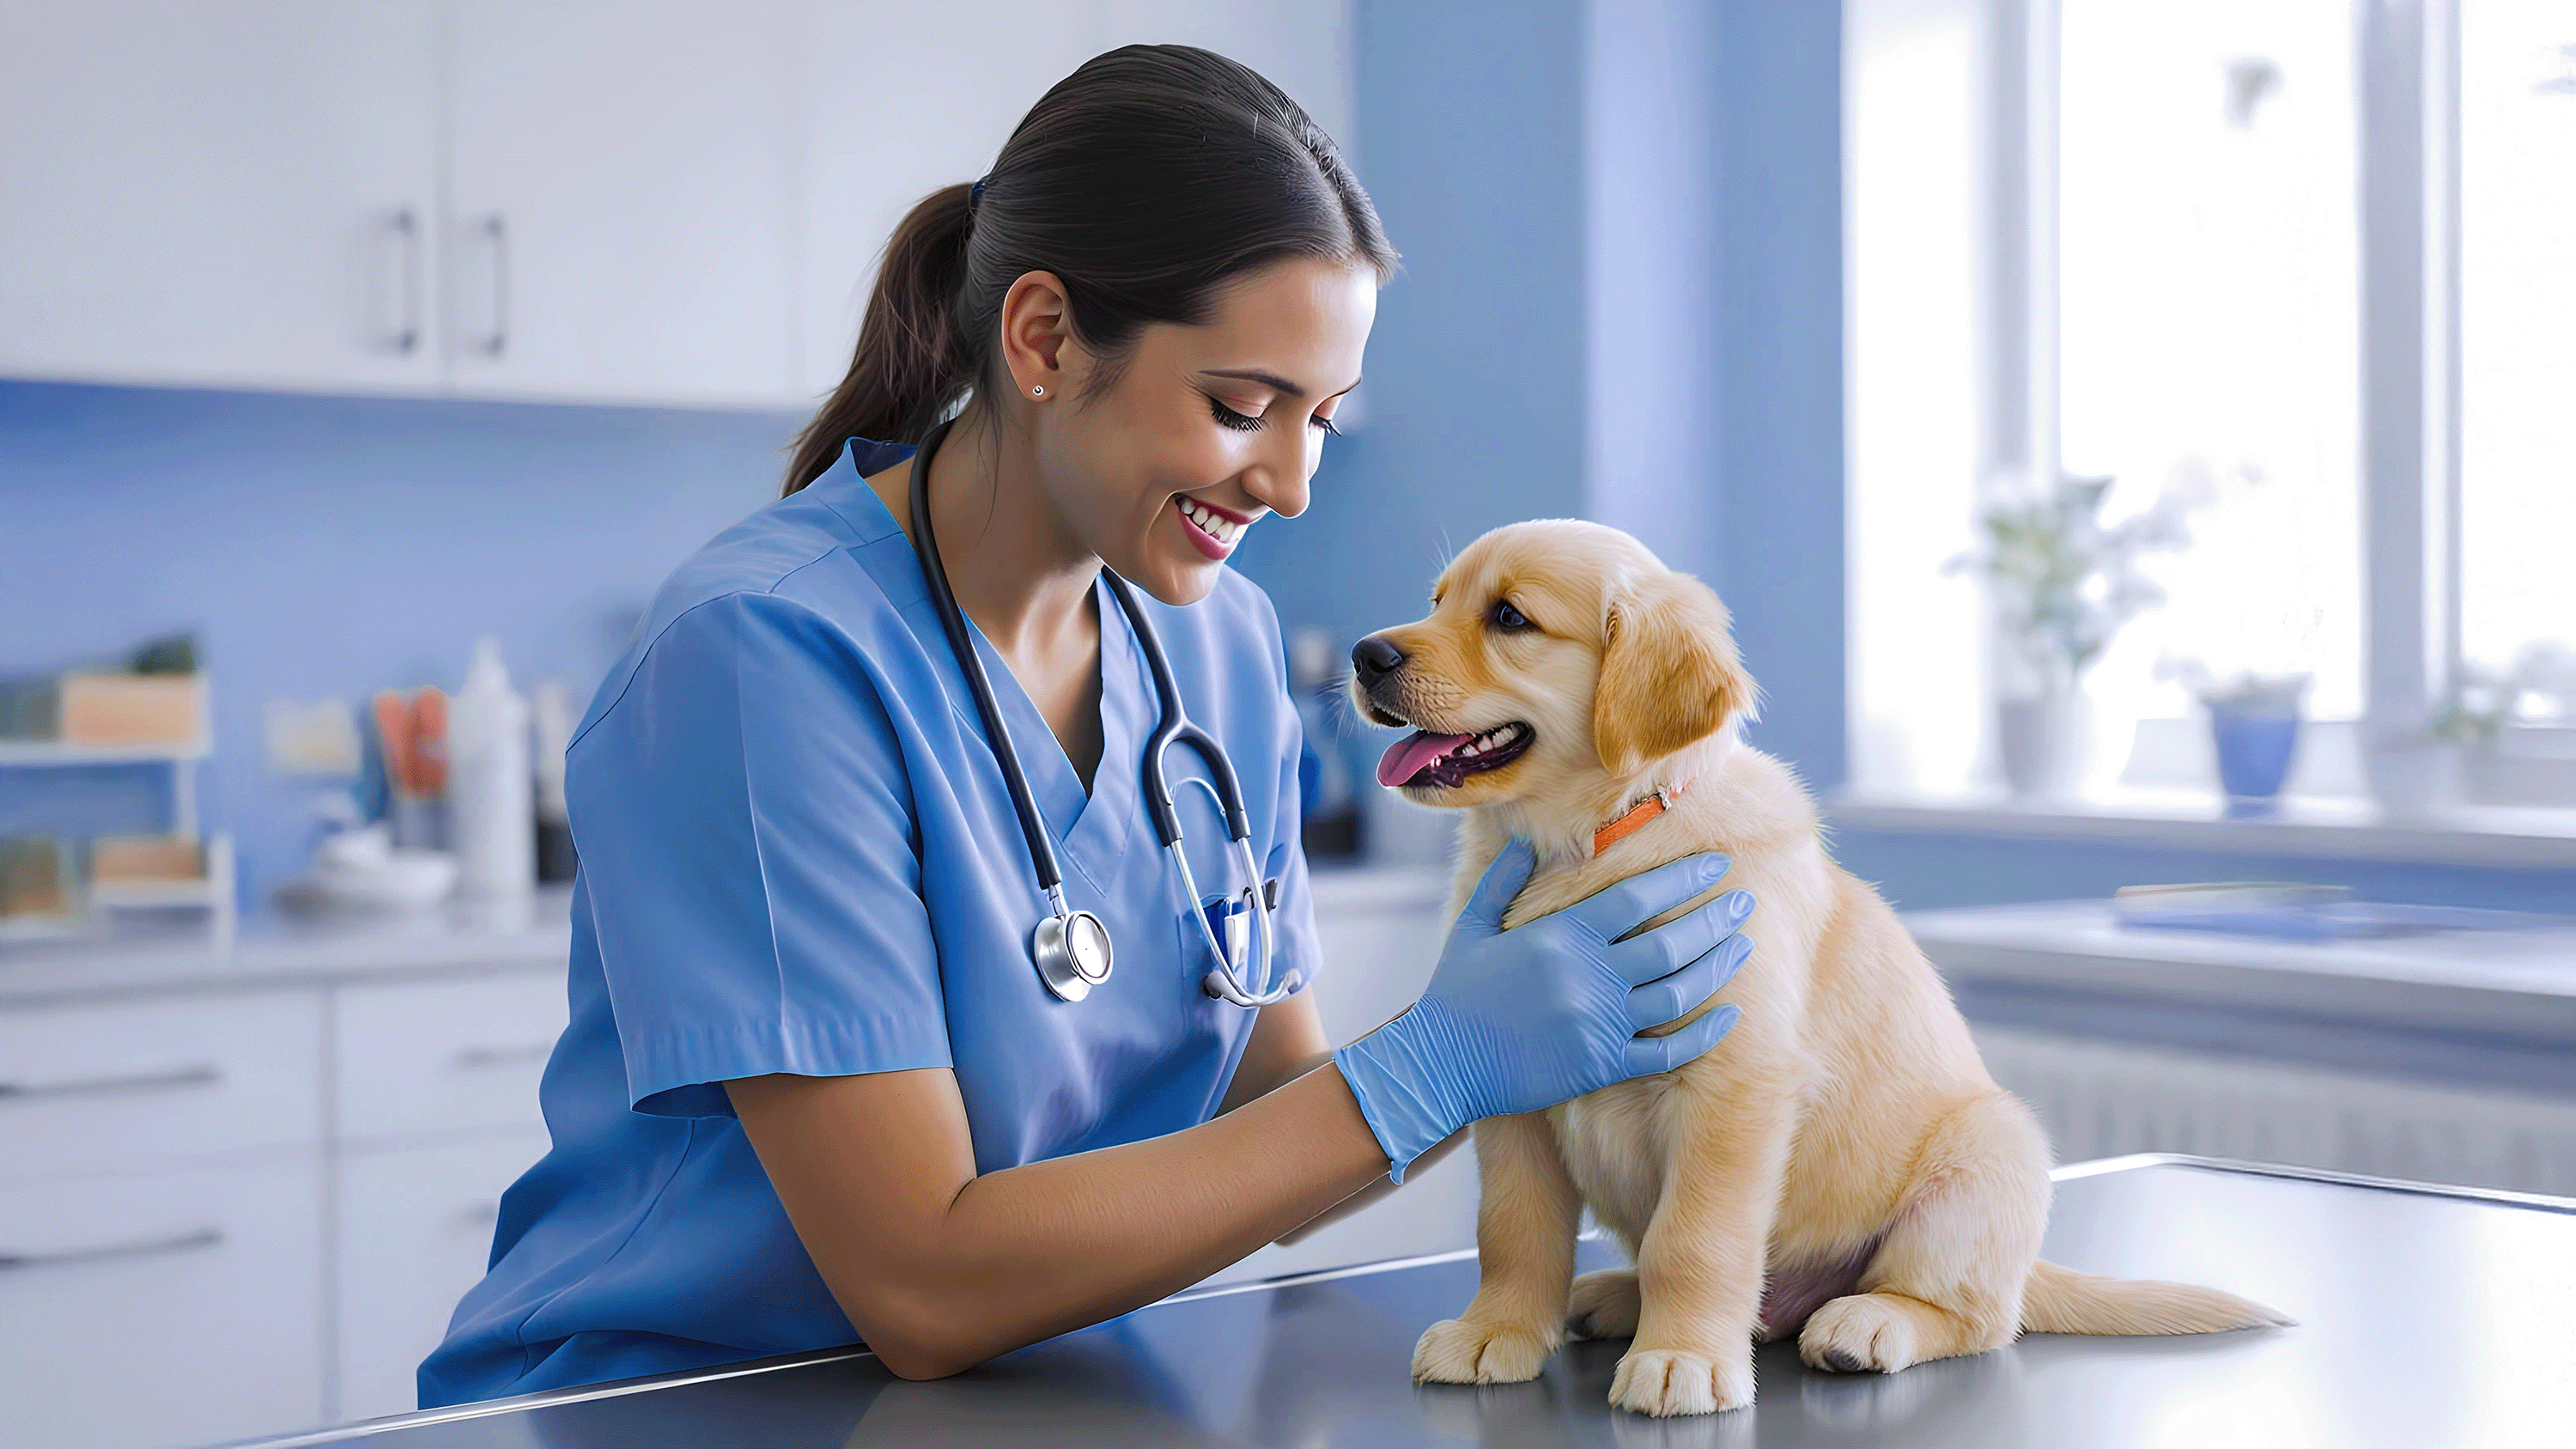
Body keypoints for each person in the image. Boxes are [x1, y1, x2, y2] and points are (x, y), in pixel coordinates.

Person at [417, 43, 1753, 1407]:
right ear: (1044, 338)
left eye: (1322, 420)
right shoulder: (764, 660)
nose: (1291, 486)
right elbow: (922, 1283)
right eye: (1243, 406)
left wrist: (1514, 1030)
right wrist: (1437, 1060)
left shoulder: (1219, 646)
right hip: (677, 1404)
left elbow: (1267, 1124)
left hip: (1026, 1388)